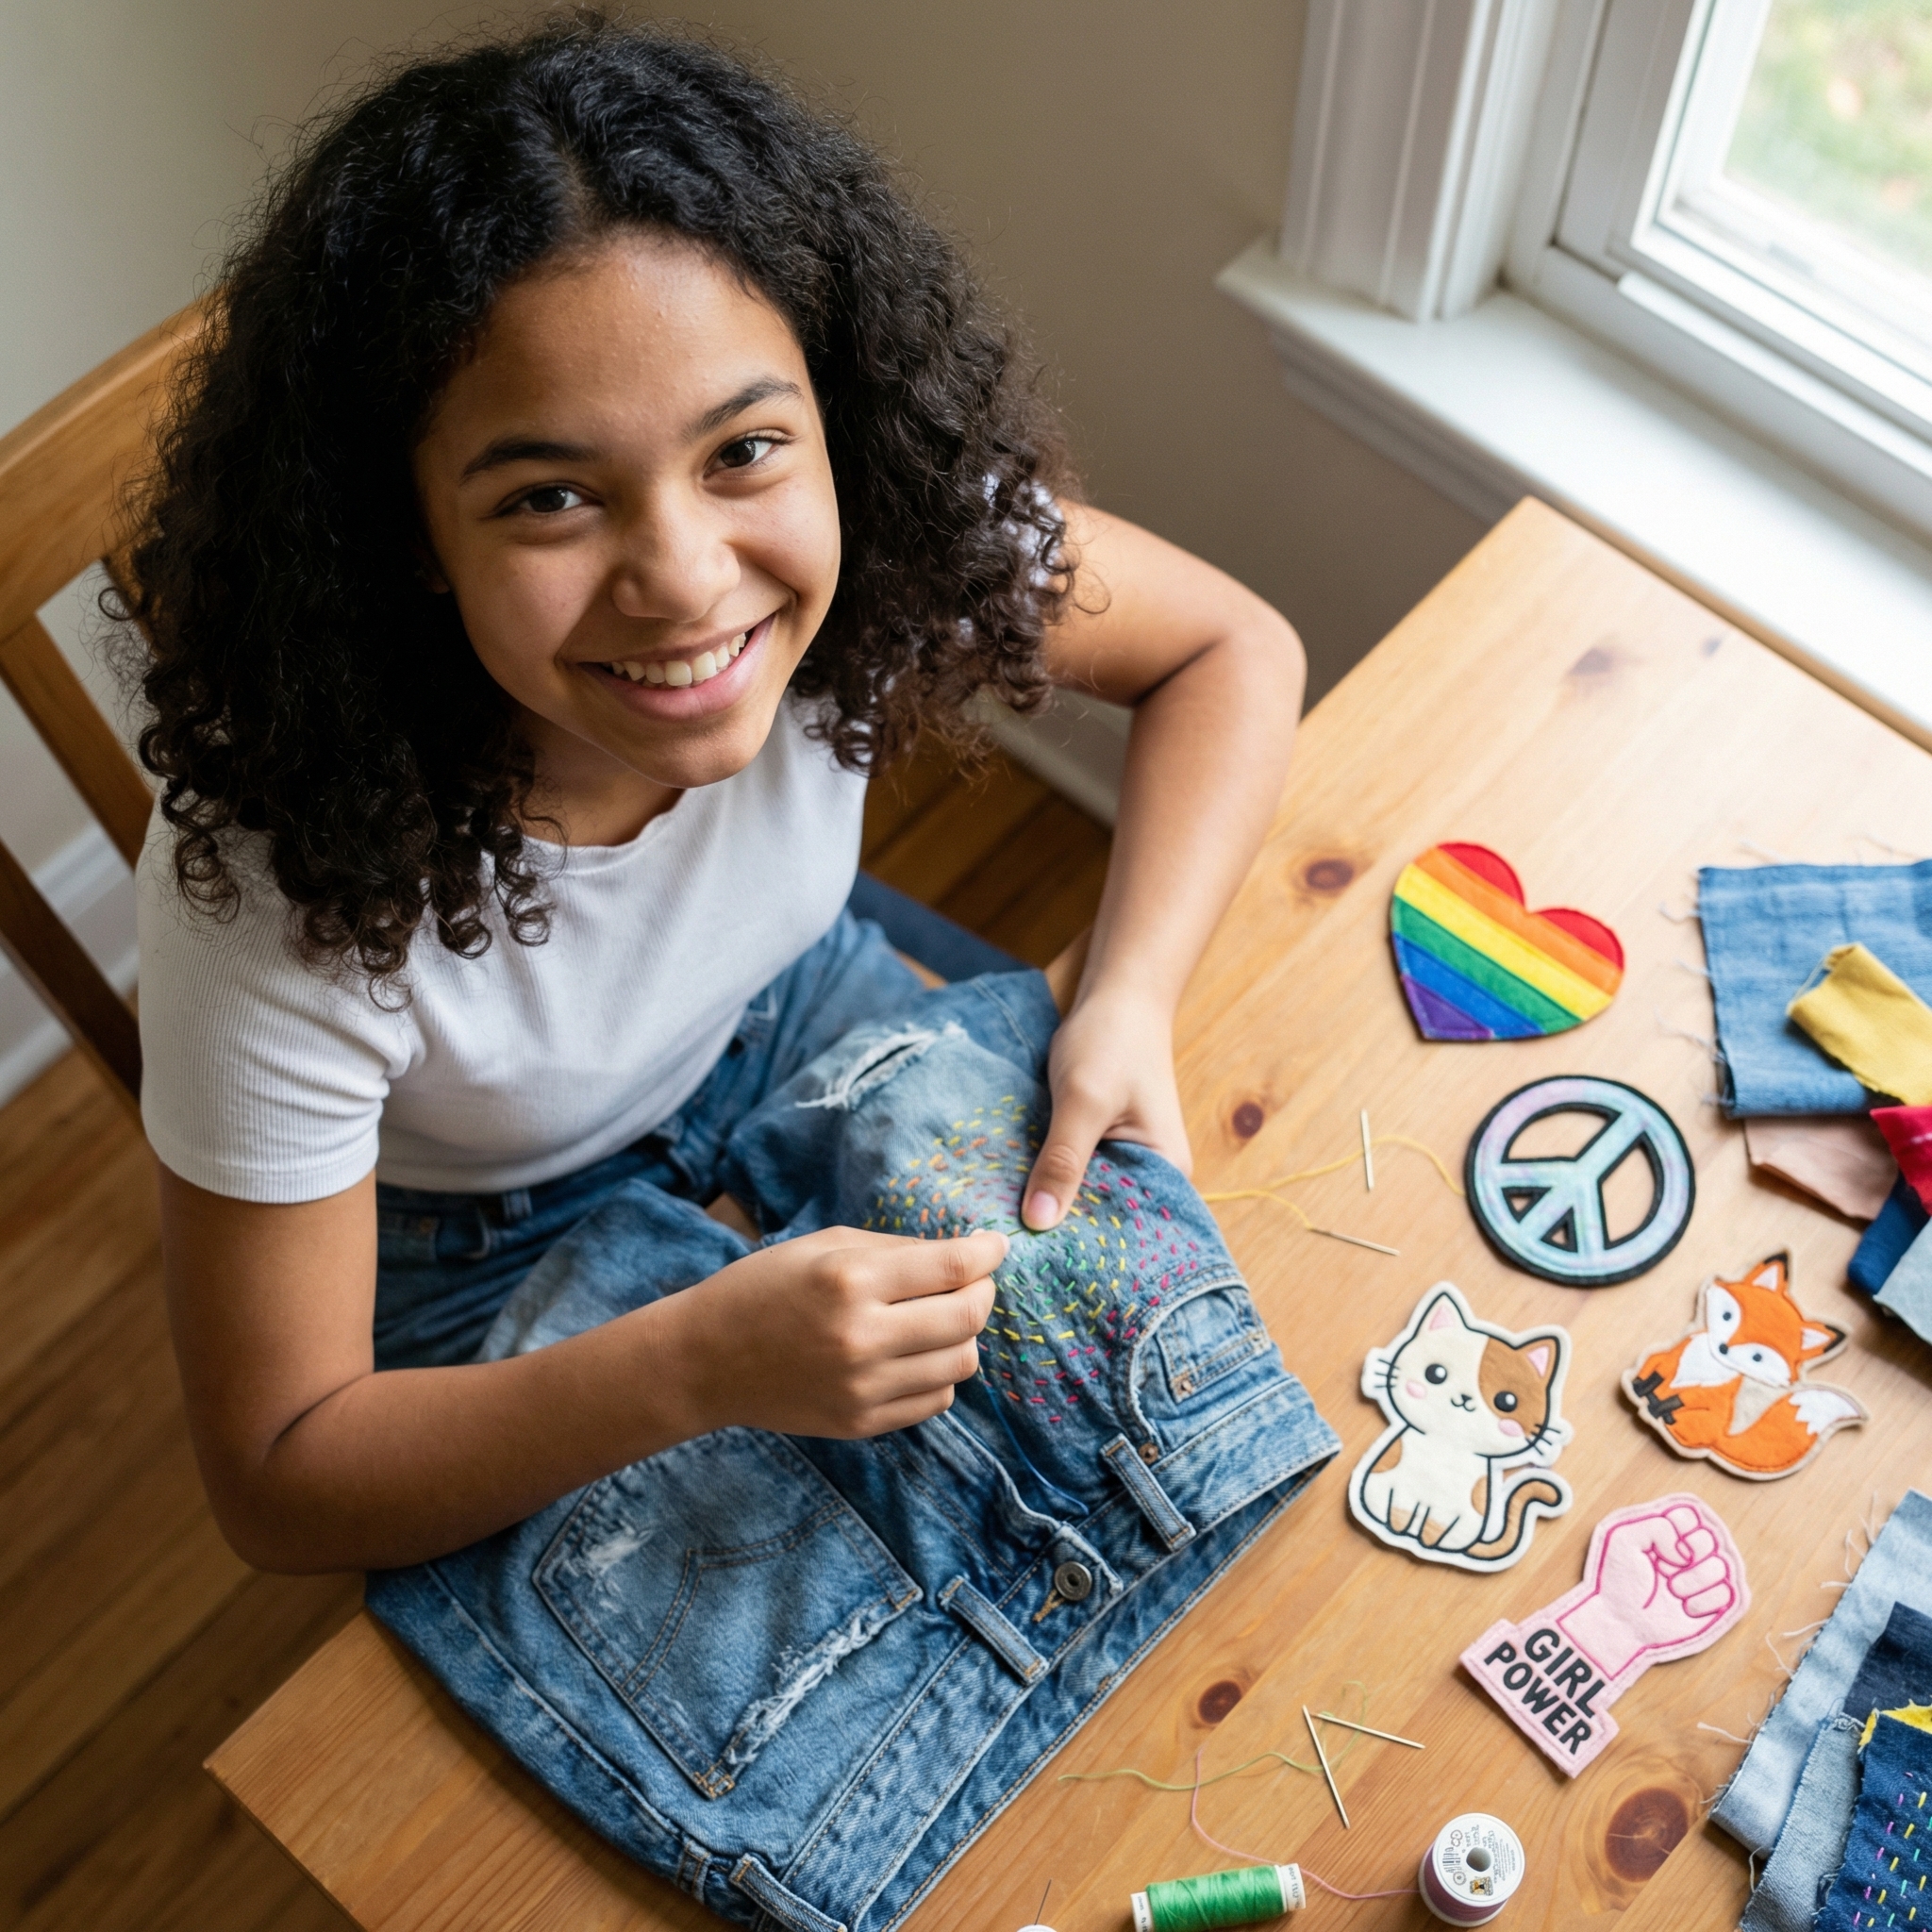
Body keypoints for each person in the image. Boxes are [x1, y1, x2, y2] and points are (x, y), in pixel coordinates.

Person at [127, 18, 1304, 1576]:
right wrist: (695, 1364)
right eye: (551, 496)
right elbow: (281, 1478)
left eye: (743, 449)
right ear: (406, 536)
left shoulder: (887, 536)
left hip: (785, 1009)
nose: (686, 581)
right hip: (478, 1236)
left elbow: (1231, 650)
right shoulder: (276, 886)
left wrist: (1133, 994)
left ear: (835, 413)